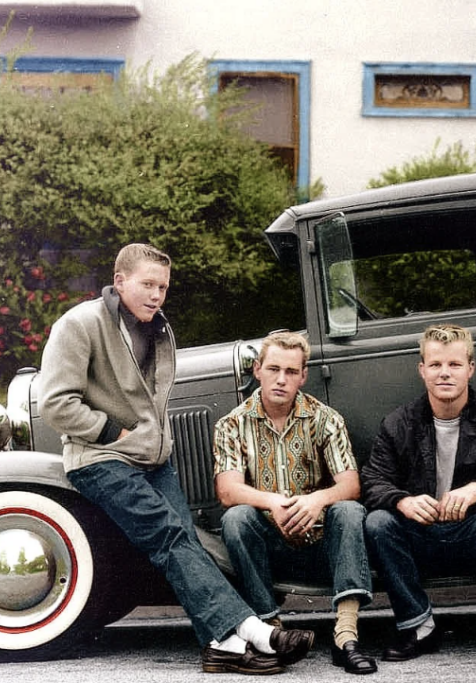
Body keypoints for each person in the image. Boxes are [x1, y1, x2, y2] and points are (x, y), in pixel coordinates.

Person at [39, 243, 314, 675]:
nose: (156, 295)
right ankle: (257, 631)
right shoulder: (80, 324)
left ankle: (221, 646)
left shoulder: (159, 328)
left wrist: (153, 443)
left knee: (184, 541)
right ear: (119, 281)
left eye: (163, 287)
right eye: (147, 284)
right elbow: (54, 403)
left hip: (153, 460)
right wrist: (112, 430)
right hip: (100, 458)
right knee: (169, 535)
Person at [362, 324, 476, 669]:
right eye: (435, 365)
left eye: (454, 364)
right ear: (421, 370)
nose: (444, 373)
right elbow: (372, 480)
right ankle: (419, 625)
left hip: (474, 532)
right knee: (378, 521)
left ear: (471, 368)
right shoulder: (398, 422)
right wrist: (403, 500)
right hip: (422, 535)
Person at [212, 330, 377, 675]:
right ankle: (272, 633)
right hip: (269, 545)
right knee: (236, 518)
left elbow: (351, 484)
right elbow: (227, 490)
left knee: (348, 510)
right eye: (273, 369)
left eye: (291, 372)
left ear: (303, 375)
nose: (281, 379)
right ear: (257, 369)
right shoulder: (231, 424)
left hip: (321, 543)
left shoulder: (325, 419)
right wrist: (271, 501)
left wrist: (319, 499)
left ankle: (346, 635)